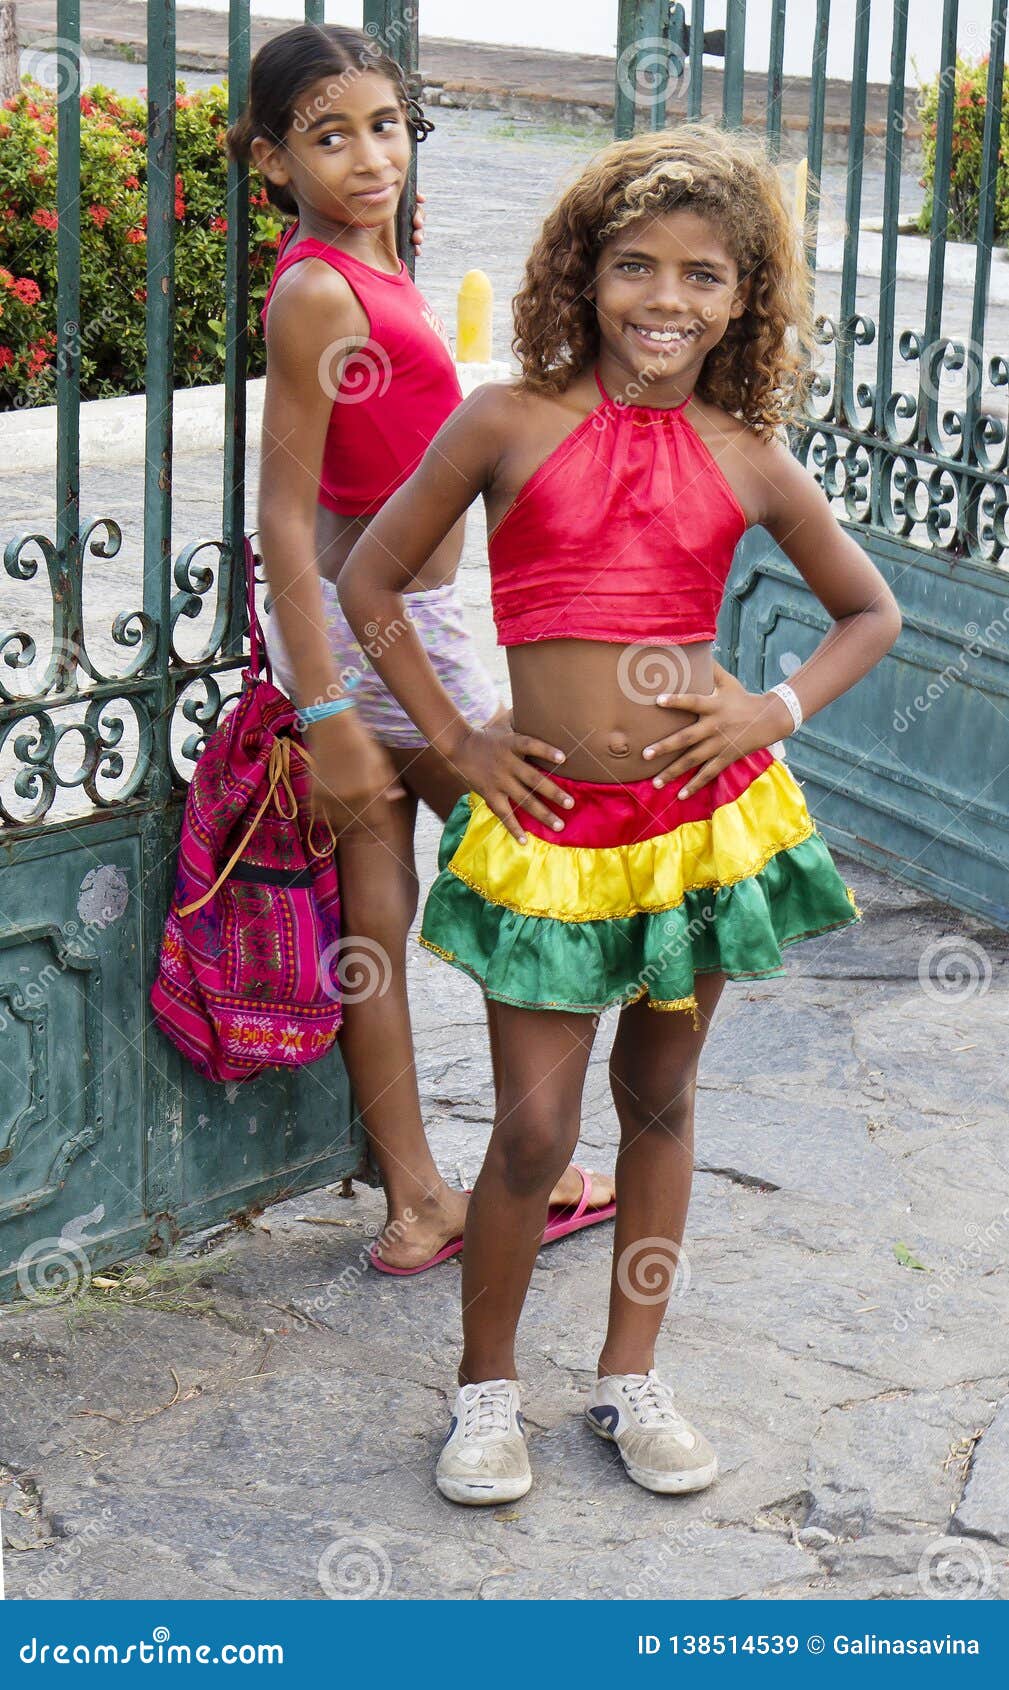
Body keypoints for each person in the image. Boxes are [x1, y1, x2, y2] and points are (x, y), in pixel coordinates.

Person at [337, 122, 902, 1503]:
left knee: (661, 1098)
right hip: (552, 830)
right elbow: (369, 575)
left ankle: (630, 1373)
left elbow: (866, 612)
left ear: (742, 297)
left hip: (702, 826)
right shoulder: (505, 420)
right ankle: (485, 1392)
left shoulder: (747, 453)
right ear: (580, 278)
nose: (666, 299)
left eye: (703, 275)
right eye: (635, 267)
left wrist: (771, 710)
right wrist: (458, 735)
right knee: (533, 1132)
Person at [227, 22, 615, 1275]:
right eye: (327, 136)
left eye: (384, 126)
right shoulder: (317, 291)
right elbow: (285, 512)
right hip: (384, 633)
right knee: (533, 863)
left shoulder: (370, 267)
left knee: (377, 913)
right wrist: (329, 709)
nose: (366, 156)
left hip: (393, 628)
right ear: (271, 159)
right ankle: (522, 1167)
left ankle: (417, 1200)